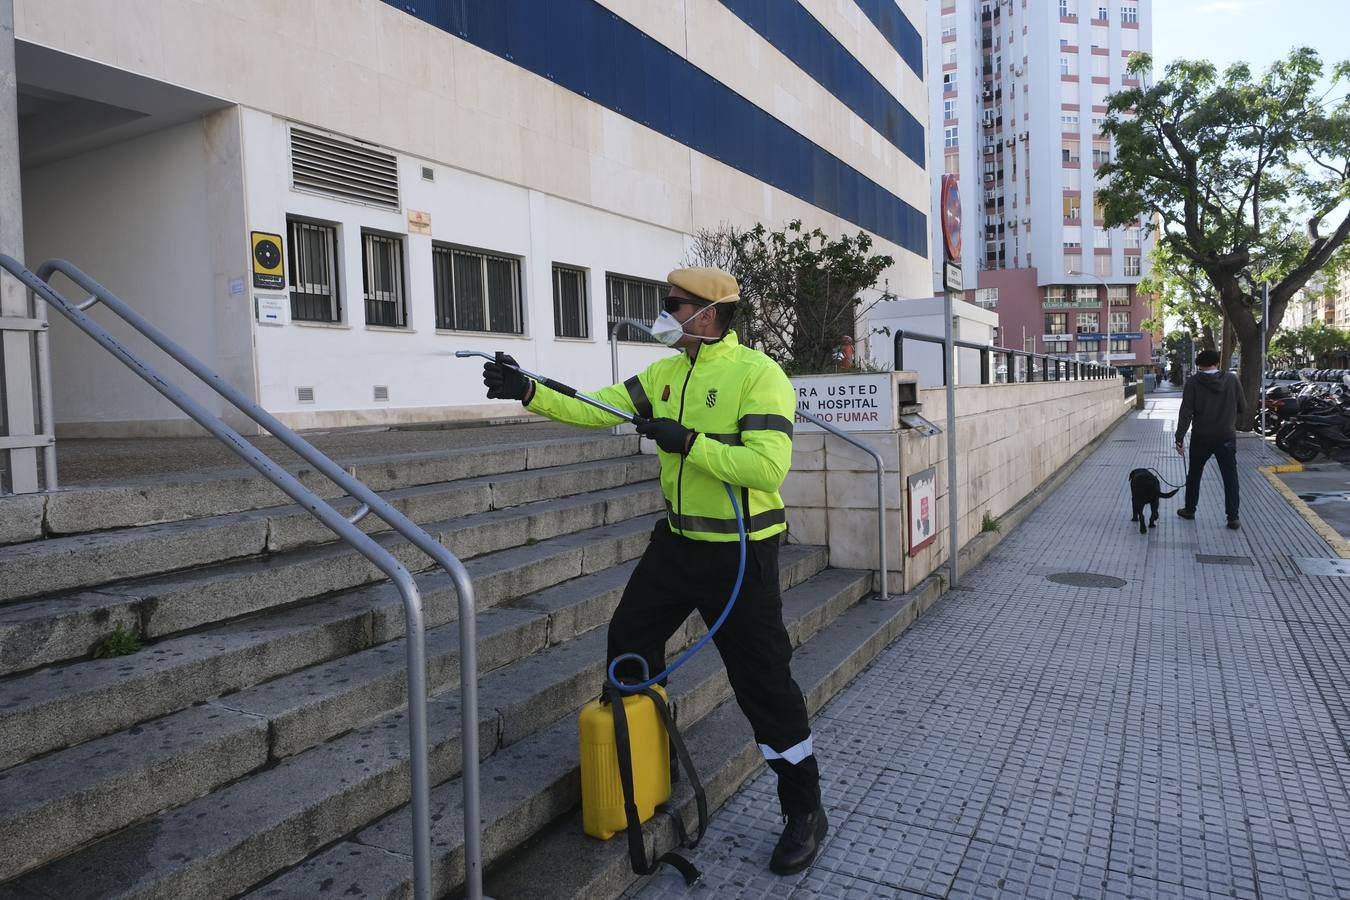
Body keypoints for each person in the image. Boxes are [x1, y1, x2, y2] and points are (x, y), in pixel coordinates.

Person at [480, 267, 826, 875]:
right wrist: (528, 389)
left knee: (764, 687)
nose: (665, 313)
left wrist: (689, 442)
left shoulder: (758, 377)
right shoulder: (665, 373)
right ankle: (640, 769)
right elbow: (596, 407)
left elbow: (767, 469)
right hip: (677, 545)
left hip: (741, 554)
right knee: (629, 647)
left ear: (710, 312)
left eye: (675, 304)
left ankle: (804, 811)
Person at [1174, 349, 1245, 529]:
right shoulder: (1231, 379)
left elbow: (1186, 412)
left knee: (1195, 474)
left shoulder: (1194, 382)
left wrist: (1179, 437)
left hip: (1202, 436)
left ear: (1199, 364)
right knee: (1230, 477)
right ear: (1216, 362)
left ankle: (1190, 510)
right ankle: (1233, 517)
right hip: (1226, 436)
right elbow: (1242, 406)